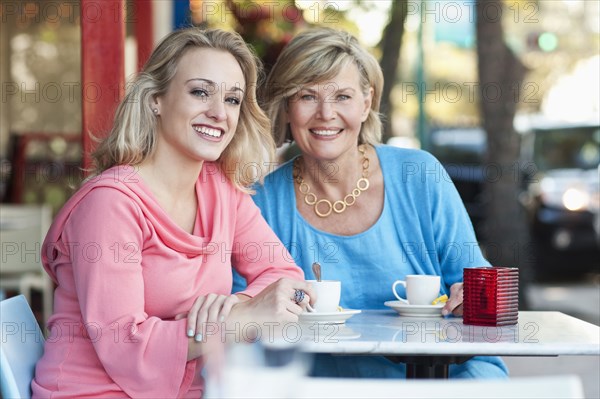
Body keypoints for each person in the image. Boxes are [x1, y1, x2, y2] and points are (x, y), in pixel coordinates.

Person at [32, 28, 315, 399]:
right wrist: (241, 320)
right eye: (200, 92)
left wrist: (238, 303)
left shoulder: (222, 191)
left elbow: (283, 275)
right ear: (155, 100)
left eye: (232, 100)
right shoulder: (111, 204)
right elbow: (125, 344)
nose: (218, 112)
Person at [233, 27, 508, 378]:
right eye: (306, 96)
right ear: (286, 108)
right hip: (322, 388)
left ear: (366, 102)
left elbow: (485, 291)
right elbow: (240, 320)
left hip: (441, 380)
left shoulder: (419, 175)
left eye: (342, 97)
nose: (325, 114)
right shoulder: (260, 202)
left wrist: (472, 296)